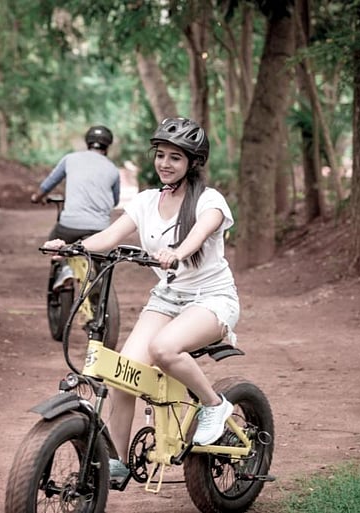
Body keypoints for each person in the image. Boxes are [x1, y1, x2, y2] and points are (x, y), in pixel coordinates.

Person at [41, 117, 240, 479]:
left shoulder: (210, 200)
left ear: (192, 163)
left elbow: (200, 232)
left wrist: (178, 251)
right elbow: (109, 236)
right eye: (160, 155)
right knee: (122, 374)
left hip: (210, 298)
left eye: (175, 158)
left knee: (165, 349)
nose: (164, 163)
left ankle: (214, 405)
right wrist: (70, 246)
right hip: (167, 298)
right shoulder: (148, 201)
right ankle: (116, 459)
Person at [31, 125, 121, 289]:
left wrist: (37, 197)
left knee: (55, 239)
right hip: (100, 228)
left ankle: (64, 269)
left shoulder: (70, 159)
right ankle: (99, 285)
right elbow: (115, 201)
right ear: (107, 147)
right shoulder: (113, 169)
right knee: (101, 258)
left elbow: (50, 182)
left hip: (70, 225)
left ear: (88, 143)